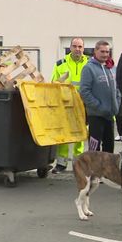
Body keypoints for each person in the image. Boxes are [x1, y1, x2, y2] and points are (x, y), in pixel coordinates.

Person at [51, 38, 89, 173]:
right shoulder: (61, 64)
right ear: (70, 48)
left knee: (80, 134)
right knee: (63, 134)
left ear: (83, 48)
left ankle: (78, 164)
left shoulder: (89, 63)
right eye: (75, 46)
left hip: (82, 104)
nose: (77, 49)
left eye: (80, 46)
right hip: (65, 104)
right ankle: (61, 163)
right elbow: (53, 84)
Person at [79, 41, 120, 153]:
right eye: (102, 51)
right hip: (96, 115)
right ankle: (93, 170)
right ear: (95, 51)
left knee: (109, 147)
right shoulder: (88, 68)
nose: (105, 54)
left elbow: (117, 88)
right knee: (94, 148)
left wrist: (117, 104)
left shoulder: (111, 67)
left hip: (110, 115)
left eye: (107, 51)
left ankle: (107, 169)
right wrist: (98, 106)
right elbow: (84, 91)